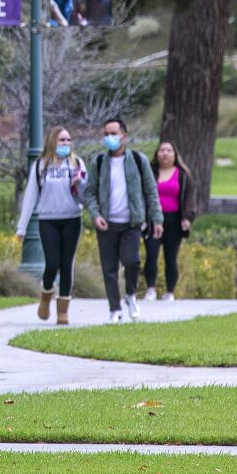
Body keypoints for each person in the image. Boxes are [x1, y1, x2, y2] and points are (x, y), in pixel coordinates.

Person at [84, 118, 163, 323]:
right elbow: (90, 192)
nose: (109, 138)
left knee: (132, 261)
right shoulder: (99, 162)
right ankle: (114, 309)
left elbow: (151, 191)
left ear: (124, 136)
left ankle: (130, 294)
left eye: (113, 133)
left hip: (132, 222)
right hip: (107, 223)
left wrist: (157, 219)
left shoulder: (138, 160)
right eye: (106, 134)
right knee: (109, 268)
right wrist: (96, 215)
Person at [15, 126, 87, 325]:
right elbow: (30, 197)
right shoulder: (41, 166)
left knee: (66, 264)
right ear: (52, 142)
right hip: (48, 220)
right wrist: (22, 227)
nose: (65, 144)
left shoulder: (77, 164)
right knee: (52, 263)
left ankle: (63, 311)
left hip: (72, 218)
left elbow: (85, 197)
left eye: (68, 140)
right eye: (61, 140)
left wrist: (79, 183)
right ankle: (46, 296)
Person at [142, 141, 196, 301]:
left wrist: (187, 217)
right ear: (157, 154)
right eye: (162, 150)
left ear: (175, 154)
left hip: (174, 221)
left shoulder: (183, 175)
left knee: (170, 257)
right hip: (152, 221)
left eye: (169, 150)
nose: (165, 153)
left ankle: (170, 292)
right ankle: (150, 289)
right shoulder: (150, 173)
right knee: (151, 254)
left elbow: (190, 198)